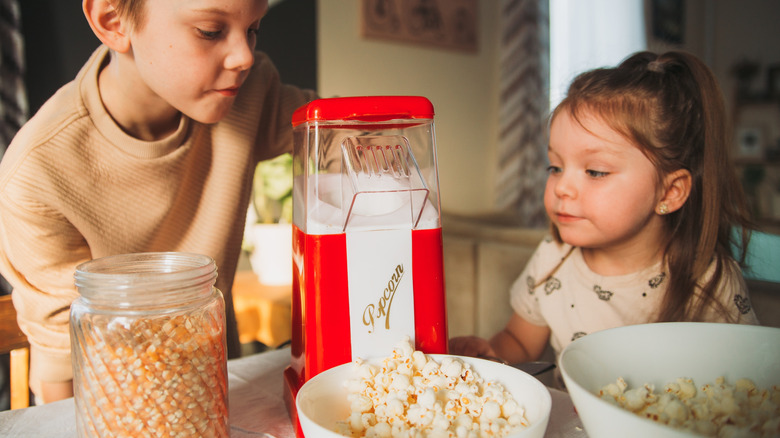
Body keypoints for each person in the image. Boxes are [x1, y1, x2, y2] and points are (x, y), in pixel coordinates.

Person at [0, 0, 316, 404]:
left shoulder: (251, 92)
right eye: (210, 31)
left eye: (252, 29)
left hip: (222, 398)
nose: (244, 57)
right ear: (113, 21)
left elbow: (342, 132)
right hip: (117, 412)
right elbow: (62, 369)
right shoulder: (38, 172)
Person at [449, 51, 759, 385]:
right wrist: (491, 353)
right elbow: (521, 340)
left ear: (669, 193)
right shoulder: (553, 255)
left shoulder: (708, 278)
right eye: (555, 167)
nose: (562, 187)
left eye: (595, 171)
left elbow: (748, 383)